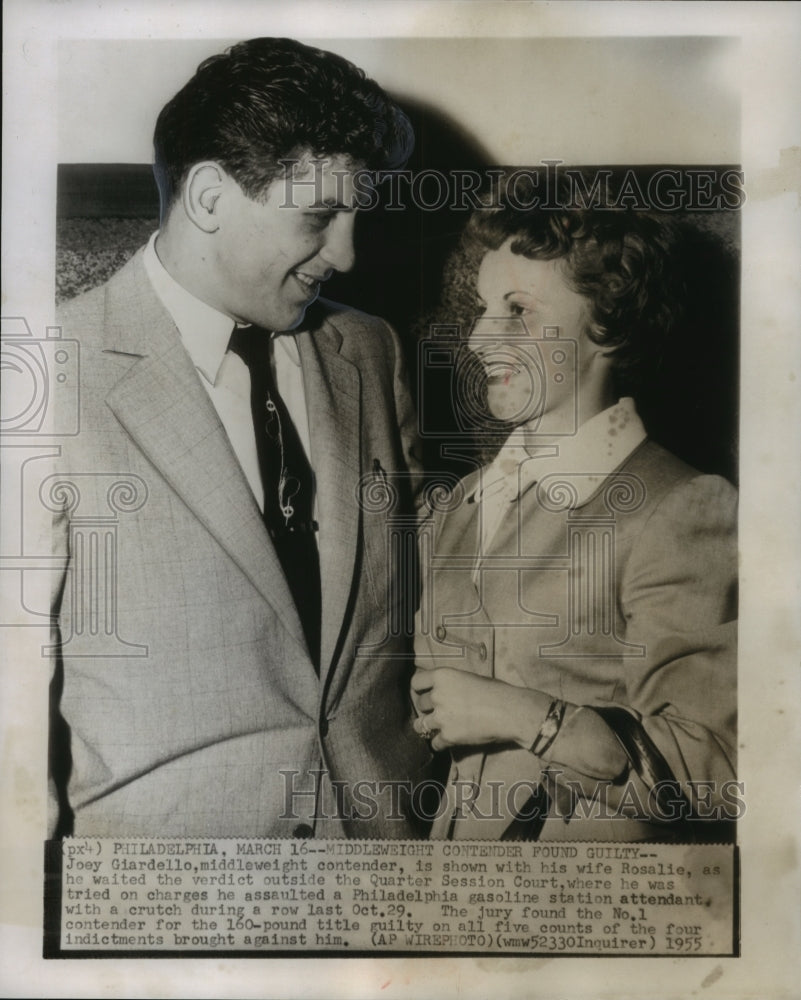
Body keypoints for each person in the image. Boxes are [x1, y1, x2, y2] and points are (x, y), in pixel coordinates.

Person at [48, 38, 432, 838]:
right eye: (320, 217)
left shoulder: (370, 349)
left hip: (382, 883)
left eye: (358, 218)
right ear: (211, 198)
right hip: (163, 905)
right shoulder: (42, 376)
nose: (347, 255)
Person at [412, 178, 738, 841]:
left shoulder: (682, 505)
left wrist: (529, 718)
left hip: (595, 911)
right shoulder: (464, 505)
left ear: (606, 327)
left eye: (516, 309)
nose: (477, 337)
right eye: (480, 308)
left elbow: (720, 771)